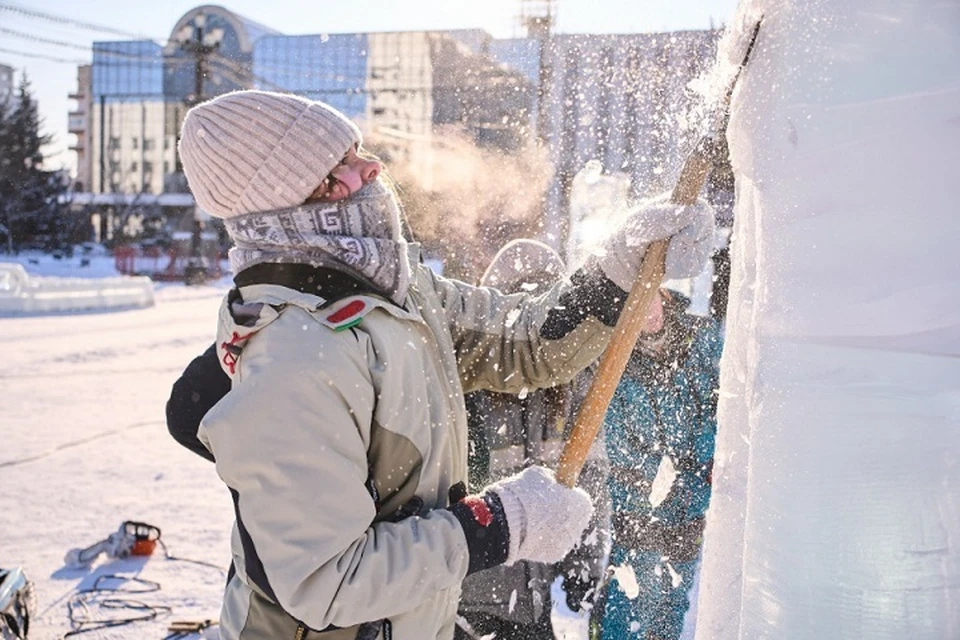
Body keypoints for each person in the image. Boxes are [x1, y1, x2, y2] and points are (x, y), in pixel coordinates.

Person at [166, 89, 716, 640]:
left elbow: (521, 342)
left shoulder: (398, 291)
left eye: (358, 148)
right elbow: (328, 582)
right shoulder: (292, 359)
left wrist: (615, 274)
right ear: (306, 197)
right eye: (346, 164)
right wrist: (500, 526)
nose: (372, 166)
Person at [457, 239, 610, 640]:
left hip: (531, 600)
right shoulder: (465, 388)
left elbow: (590, 482)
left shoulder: (575, 389)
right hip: (469, 595)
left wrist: (586, 564)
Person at [599, 286, 724, 640]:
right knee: (629, 594)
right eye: (635, 306)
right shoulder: (615, 357)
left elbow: (718, 407)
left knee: (673, 597)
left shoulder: (701, 339)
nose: (647, 312)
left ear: (665, 295)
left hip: (691, 496)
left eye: (650, 298)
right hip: (637, 498)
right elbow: (616, 432)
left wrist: (692, 468)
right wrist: (656, 473)